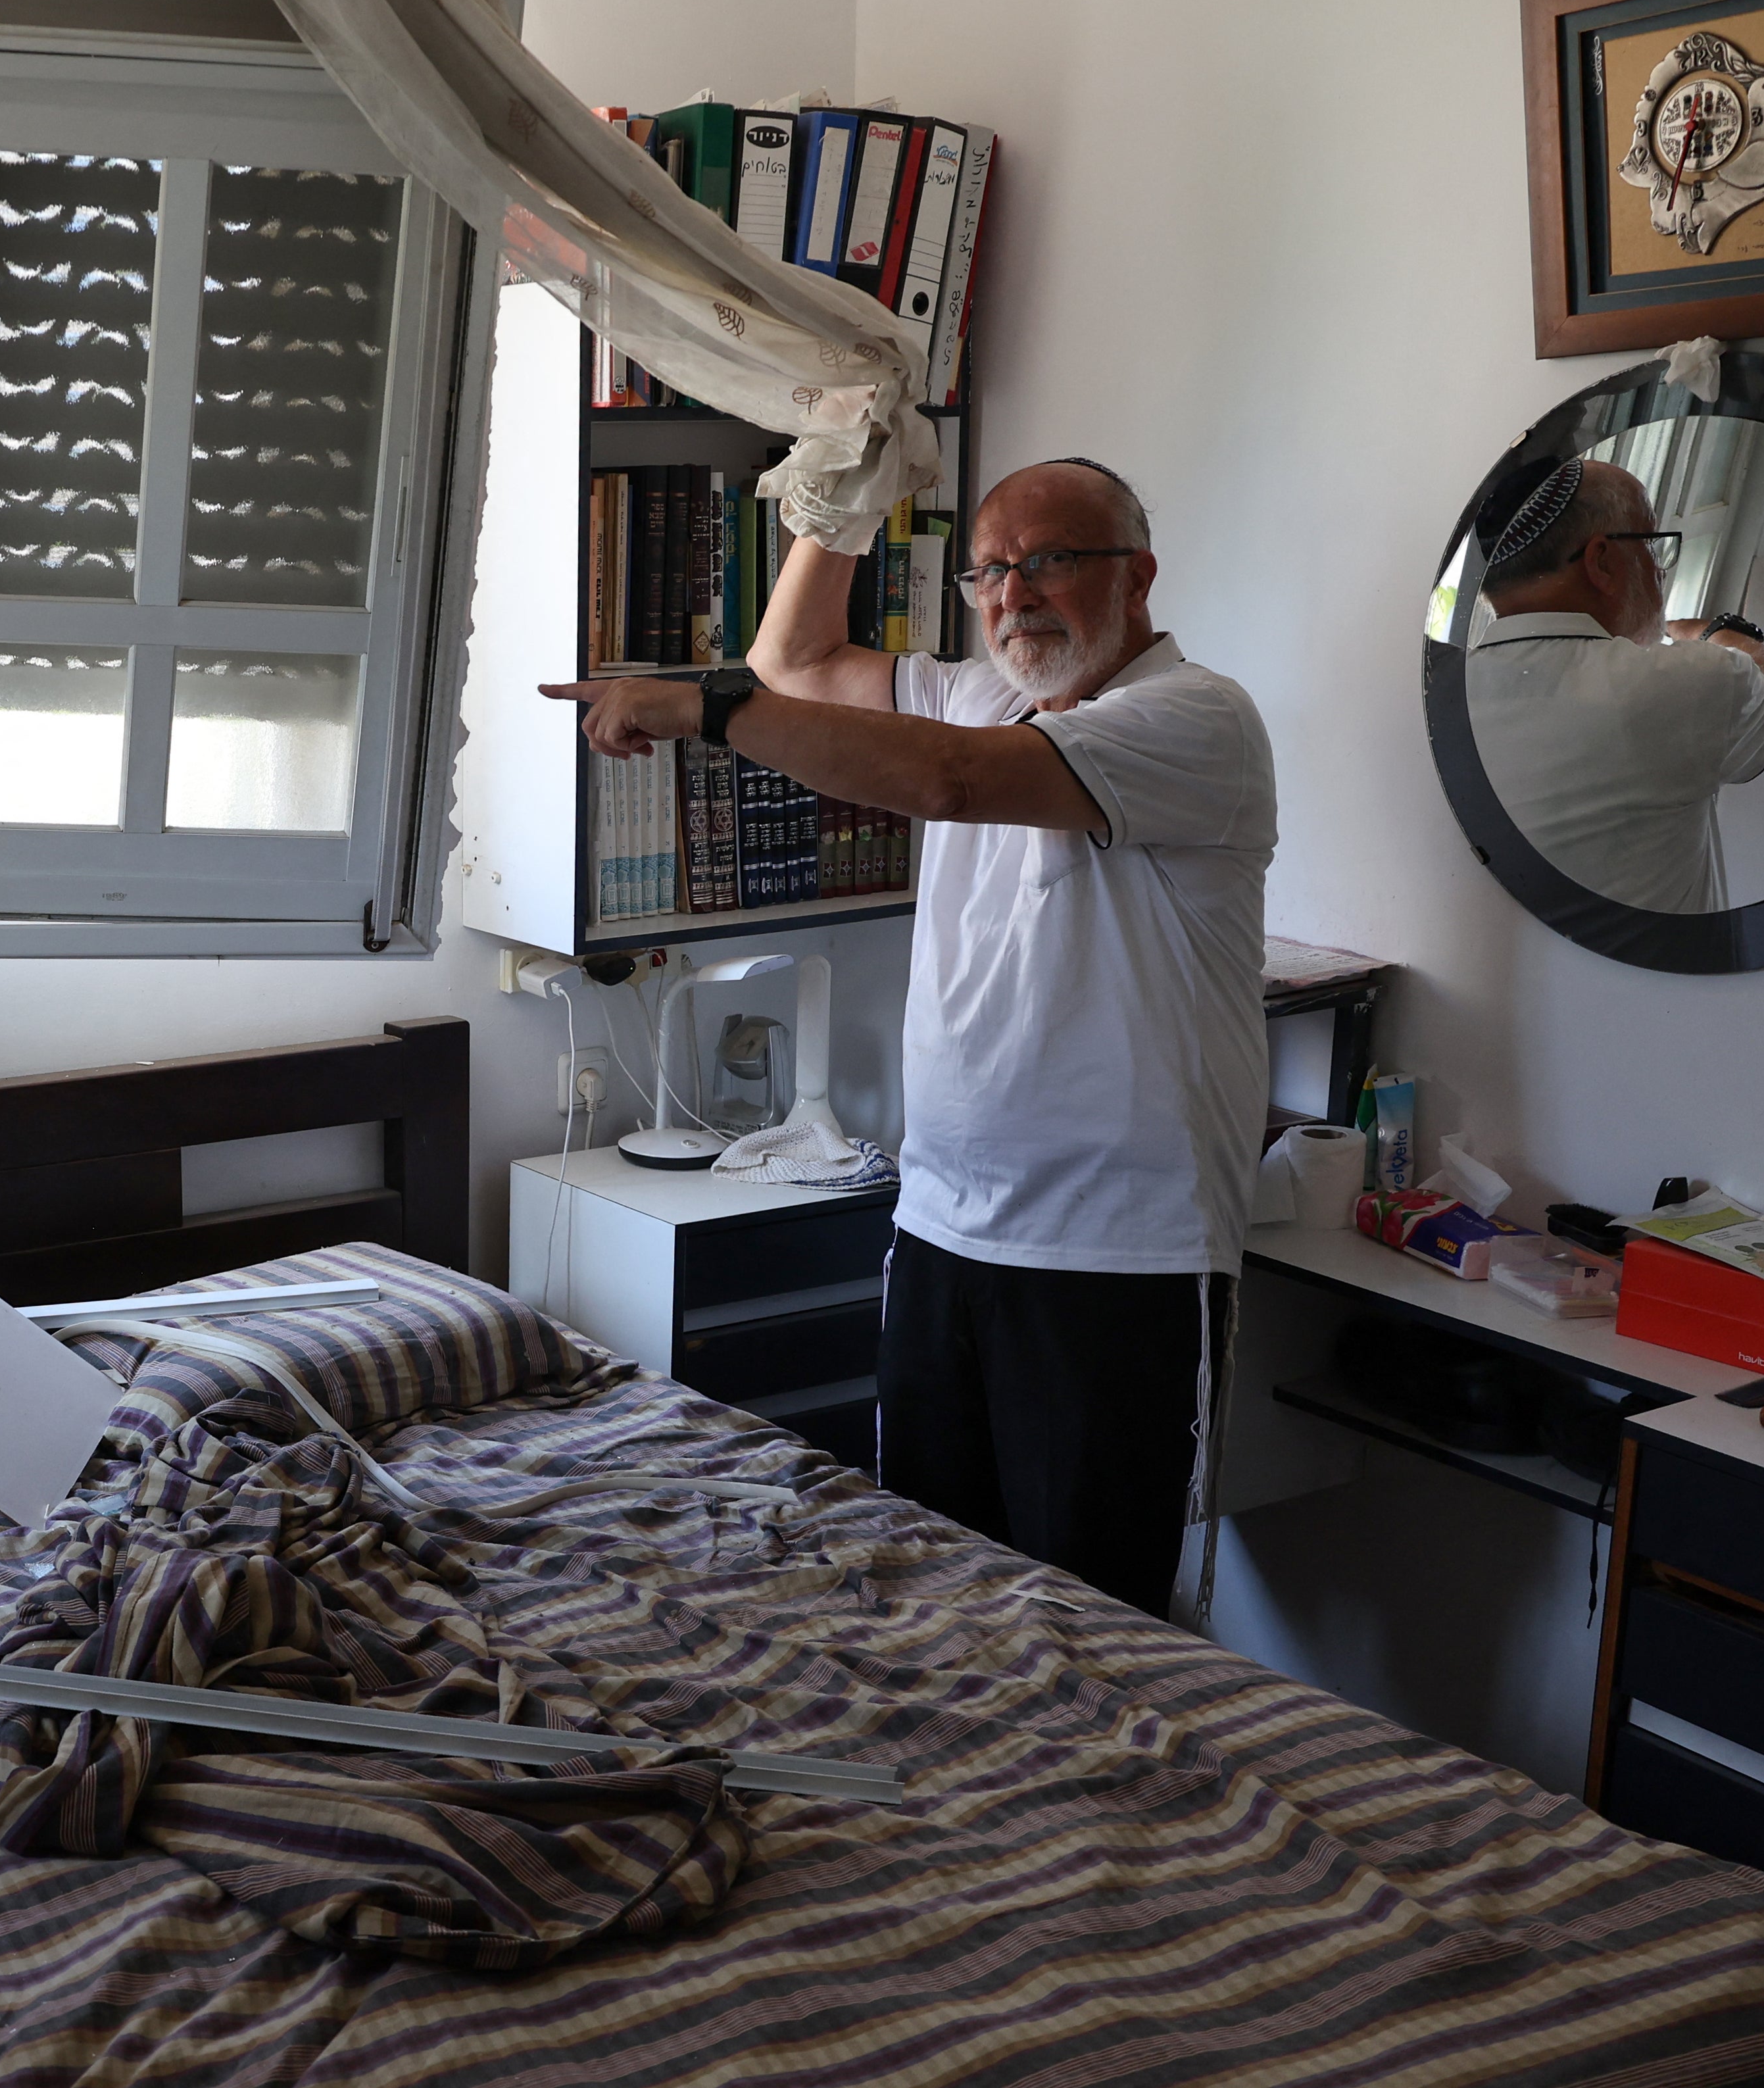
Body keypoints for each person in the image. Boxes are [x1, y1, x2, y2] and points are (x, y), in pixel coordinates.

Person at [543, 460, 1274, 1618]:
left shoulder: (1194, 717)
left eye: (1051, 561)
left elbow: (942, 782)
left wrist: (702, 704)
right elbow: (795, 665)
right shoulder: (983, 691)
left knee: (1091, 1623)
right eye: (990, 569)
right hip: (941, 1230)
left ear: (1136, 575)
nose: (1012, 595)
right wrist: (849, 476)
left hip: (1113, 1262)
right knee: (939, 1598)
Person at [1460, 453, 1764, 916]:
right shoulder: (1685, 683)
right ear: (1601, 561)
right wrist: (1724, 634)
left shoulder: (1440, 691)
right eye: (1651, 545)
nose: (1659, 569)